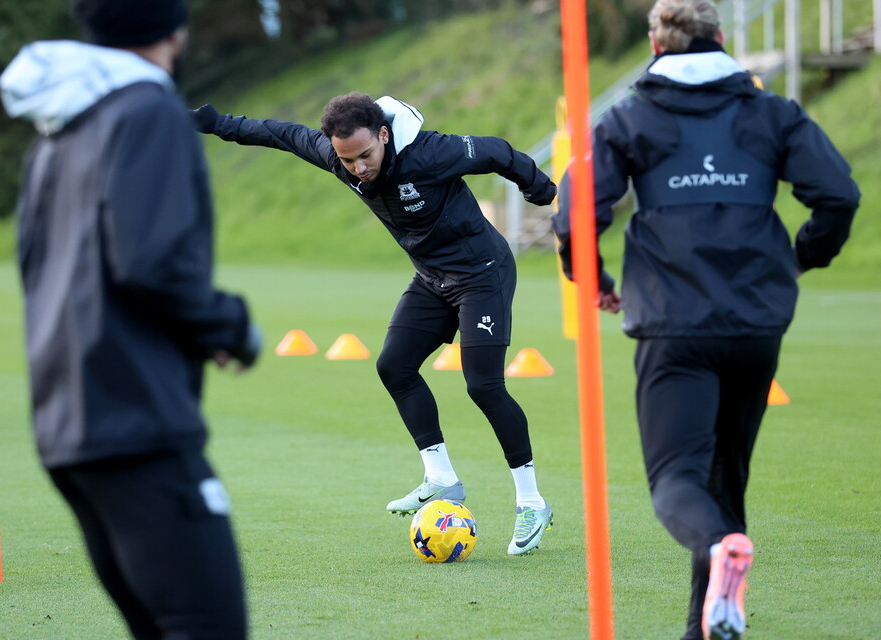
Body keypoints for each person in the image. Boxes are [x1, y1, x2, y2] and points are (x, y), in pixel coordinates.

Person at [553, 0, 859, 637]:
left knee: (675, 481)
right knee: (724, 483)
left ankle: (721, 555)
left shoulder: (631, 116)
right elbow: (838, 194)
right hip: (755, 325)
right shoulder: (772, 111)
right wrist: (800, 259)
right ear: (722, 39)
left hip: (676, 327)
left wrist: (594, 278)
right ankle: (706, 623)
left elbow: (576, 212)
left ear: (655, 44)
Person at [191, 93, 557, 554]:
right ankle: (441, 478)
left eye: (366, 155)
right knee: (394, 366)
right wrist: (215, 121)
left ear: (384, 135)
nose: (359, 168)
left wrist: (539, 189)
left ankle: (532, 503)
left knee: (483, 385)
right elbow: (278, 134)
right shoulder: (336, 155)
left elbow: (498, 152)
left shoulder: (430, 153)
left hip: (482, 273)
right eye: (348, 160)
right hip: (432, 278)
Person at [0, 1, 262, 637]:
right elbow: (150, 262)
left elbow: (37, 266)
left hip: (71, 424)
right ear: (175, 28)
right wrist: (225, 325)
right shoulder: (149, 109)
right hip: (136, 417)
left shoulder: (58, 131)